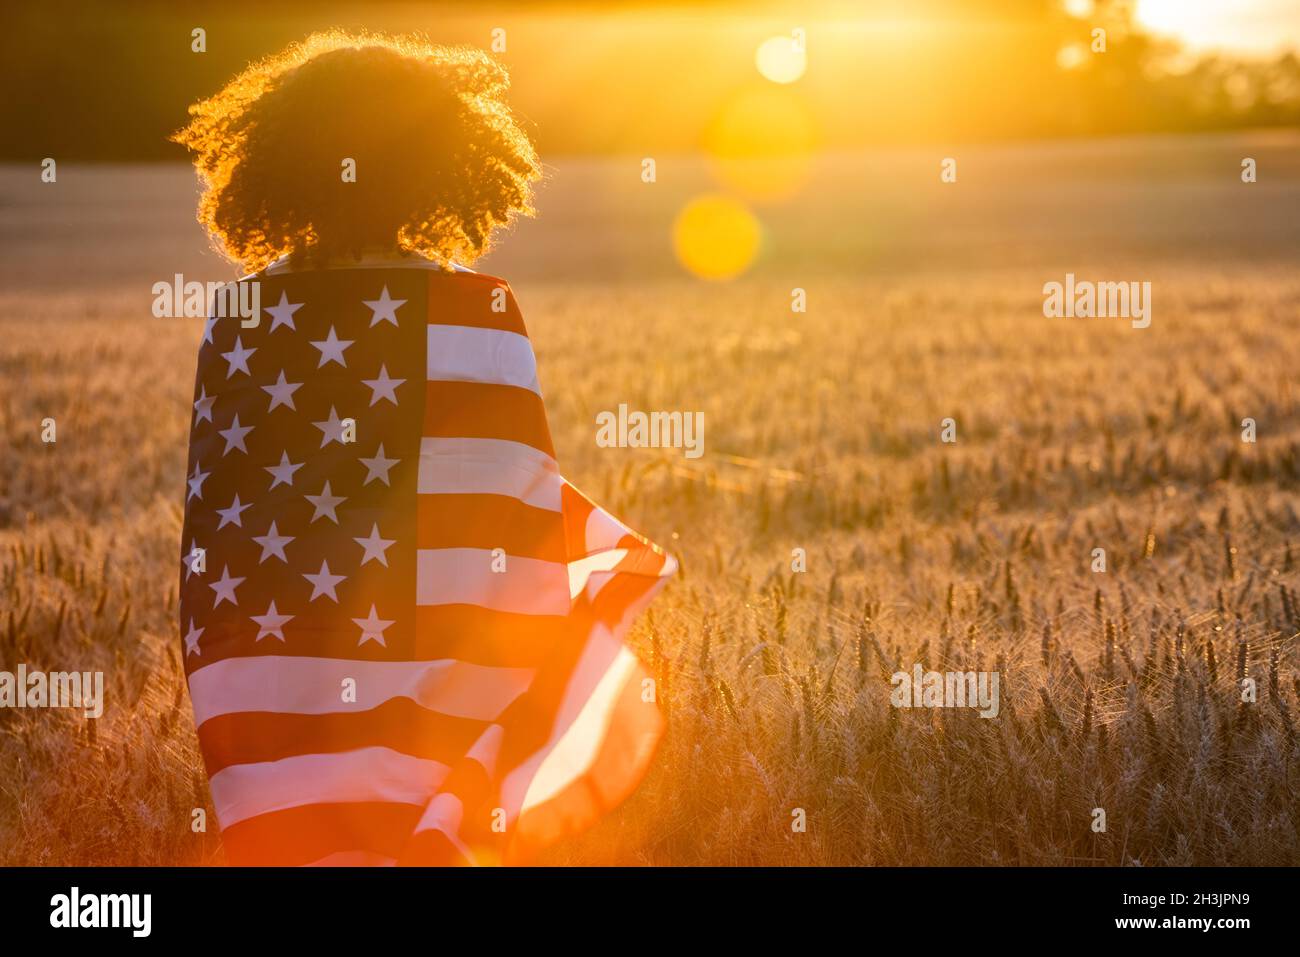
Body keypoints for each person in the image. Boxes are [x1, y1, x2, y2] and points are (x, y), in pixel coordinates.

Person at [171, 32, 675, 866]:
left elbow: (217, 527)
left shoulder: (240, 318)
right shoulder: (482, 310)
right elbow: (515, 496)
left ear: (277, 160)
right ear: (439, 161)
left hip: (268, 636)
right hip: (443, 655)